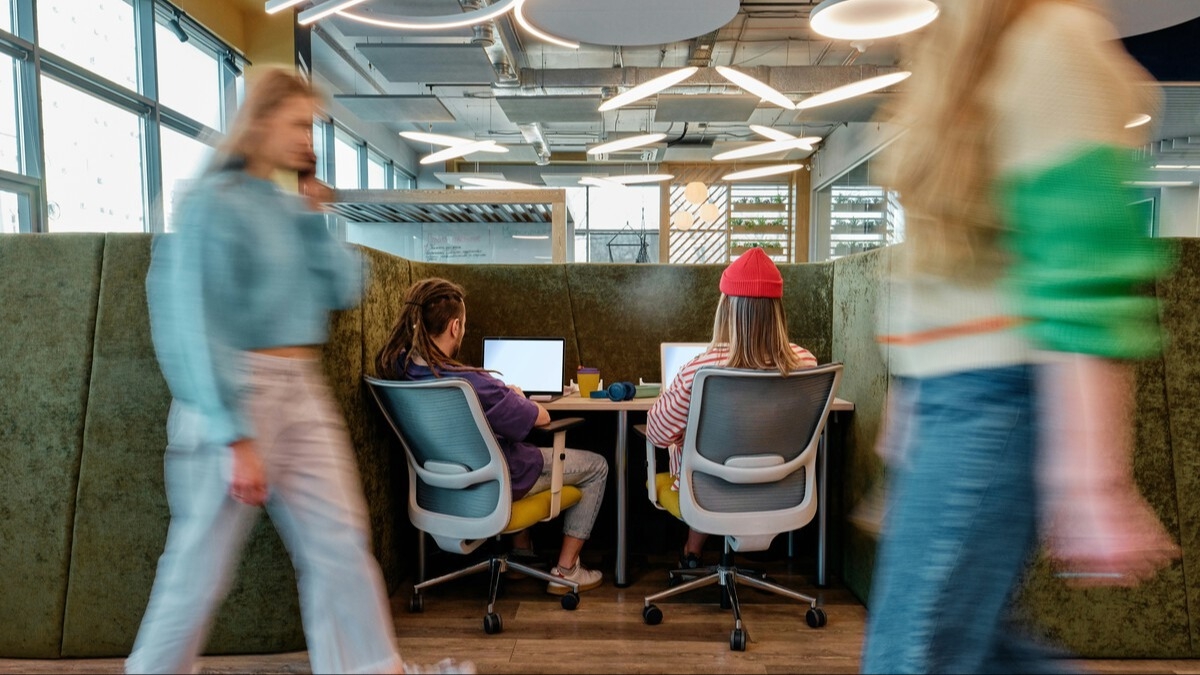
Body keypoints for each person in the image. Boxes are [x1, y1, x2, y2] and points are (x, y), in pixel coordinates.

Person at [861, 2, 1180, 672]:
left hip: (999, 394)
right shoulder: (951, 60)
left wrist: (1092, 480)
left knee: (912, 655)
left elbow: (1082, 275)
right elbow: (936, 268)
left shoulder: (1051, 39)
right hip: (949, 399)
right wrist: (907, 406)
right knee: (969, 650)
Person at [130, 67, 471, 675]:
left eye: (311, 127)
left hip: (301, 389)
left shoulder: (289, 208)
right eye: (296, 124)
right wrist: (234, 434)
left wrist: (316, 215)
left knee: (340, 545)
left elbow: (344, 289)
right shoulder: (211, 203)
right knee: (199, 570)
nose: (307, 140)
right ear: (259, 124)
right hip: (236, 393)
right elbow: (190, 325)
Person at [376, 277, 609, 595]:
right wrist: (516, 397)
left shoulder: (398, 369)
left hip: (437, 489)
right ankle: (566, 570)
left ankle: (522, 554)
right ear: (455, 327)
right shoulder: (474, 383)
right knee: (596, 466)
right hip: (495, 486)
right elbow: (540, 417)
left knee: (507, 442)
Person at [645, 247, 818, 568]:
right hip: (780, 491)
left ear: (726, 309)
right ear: (778, 312)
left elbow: (657, 433)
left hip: (708, 493)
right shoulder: (806, 364)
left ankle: (691, 551)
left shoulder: (700, 369)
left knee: (701, 451)